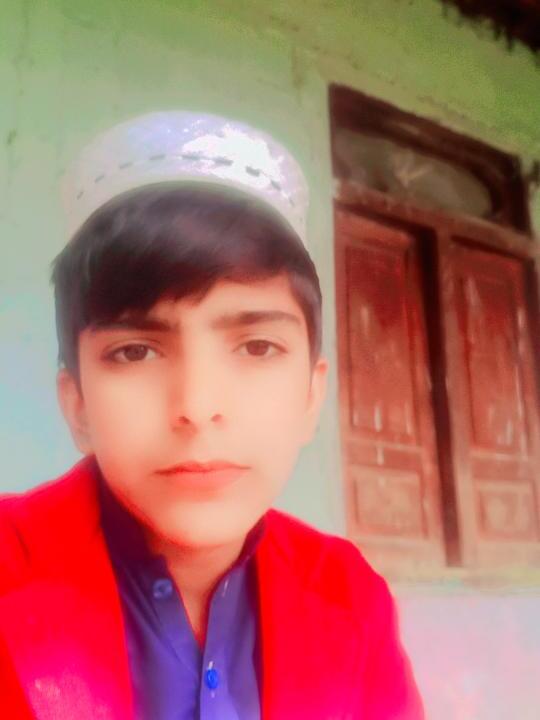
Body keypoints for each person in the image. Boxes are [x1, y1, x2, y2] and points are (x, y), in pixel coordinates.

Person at [0, 111, 424, 720]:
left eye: (257, 347)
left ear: (311, 395)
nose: (197, 408)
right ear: (79, 405)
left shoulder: (351, 596)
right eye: (135, 351)